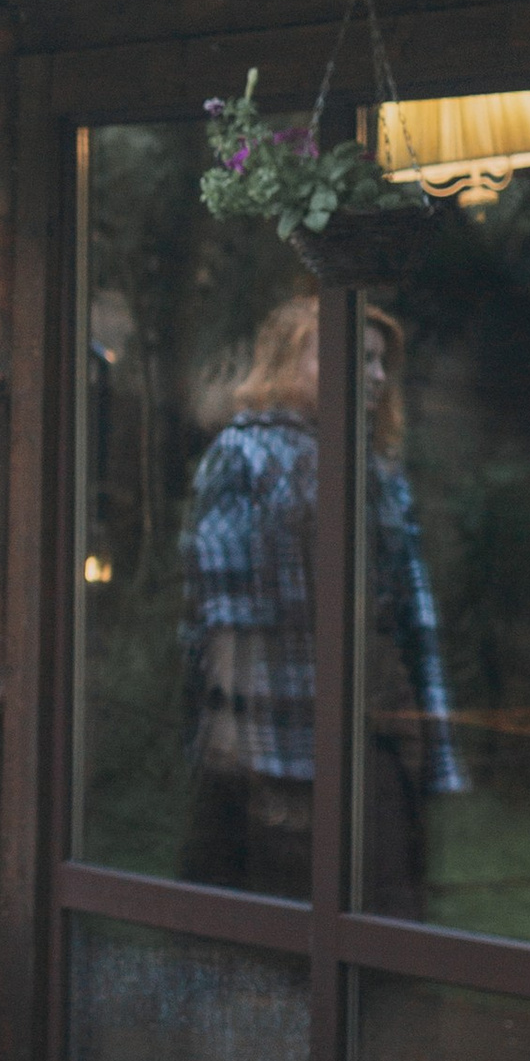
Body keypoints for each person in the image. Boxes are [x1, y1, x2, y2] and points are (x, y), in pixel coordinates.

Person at [179, 293, 460, 909]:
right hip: (277, 752)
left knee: (378, 928)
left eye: (382, 363)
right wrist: (239, 752)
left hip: (376, 741)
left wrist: (431, 746)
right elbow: (223, 622)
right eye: (359, 359)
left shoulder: (378, 470)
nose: (379, 378)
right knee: (271, 940)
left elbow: (417, 615)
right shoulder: (244, 455)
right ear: (290, 362)